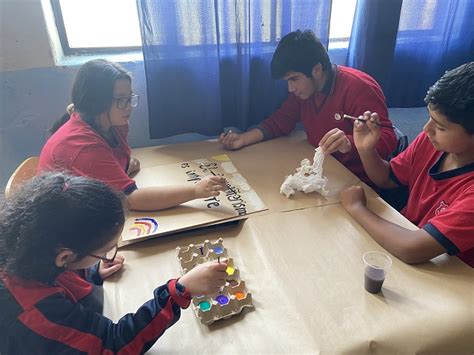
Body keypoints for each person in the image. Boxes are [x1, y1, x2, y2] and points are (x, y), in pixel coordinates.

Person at [0, 172, 228, 353]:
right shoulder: (36, 312)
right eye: (105, 251)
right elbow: (113, 344)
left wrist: (90, 273)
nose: (110, 254)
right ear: (65, 256)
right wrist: (178, 291)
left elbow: (62, 275)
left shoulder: (33, 246)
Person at [39, 59, 227, 211]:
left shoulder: (110, 123)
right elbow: (132, 200)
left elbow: (120, 164)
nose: (128, 106)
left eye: (129, 98)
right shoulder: (83, 146)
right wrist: (195, 190)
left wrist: (121, 168)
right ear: (96, 102)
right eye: (120, 100)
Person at [218, 30, 397, 185]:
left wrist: (349, 143)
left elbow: (388, 140)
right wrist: (242, 139)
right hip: (322, 170)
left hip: (357, 179)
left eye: (294, 79)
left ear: (317, 69)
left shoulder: (359, 87)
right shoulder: (304, 92)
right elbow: (281, 121)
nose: (290, 88)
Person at [340, 62, 474, 267]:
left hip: (448, 276)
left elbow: (411, 249)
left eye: (440, 127)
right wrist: (366, 151)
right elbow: (387, 178)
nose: (426, 129)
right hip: (405, 239)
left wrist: (357, 208)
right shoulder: (432, 142)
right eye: (429, 118)